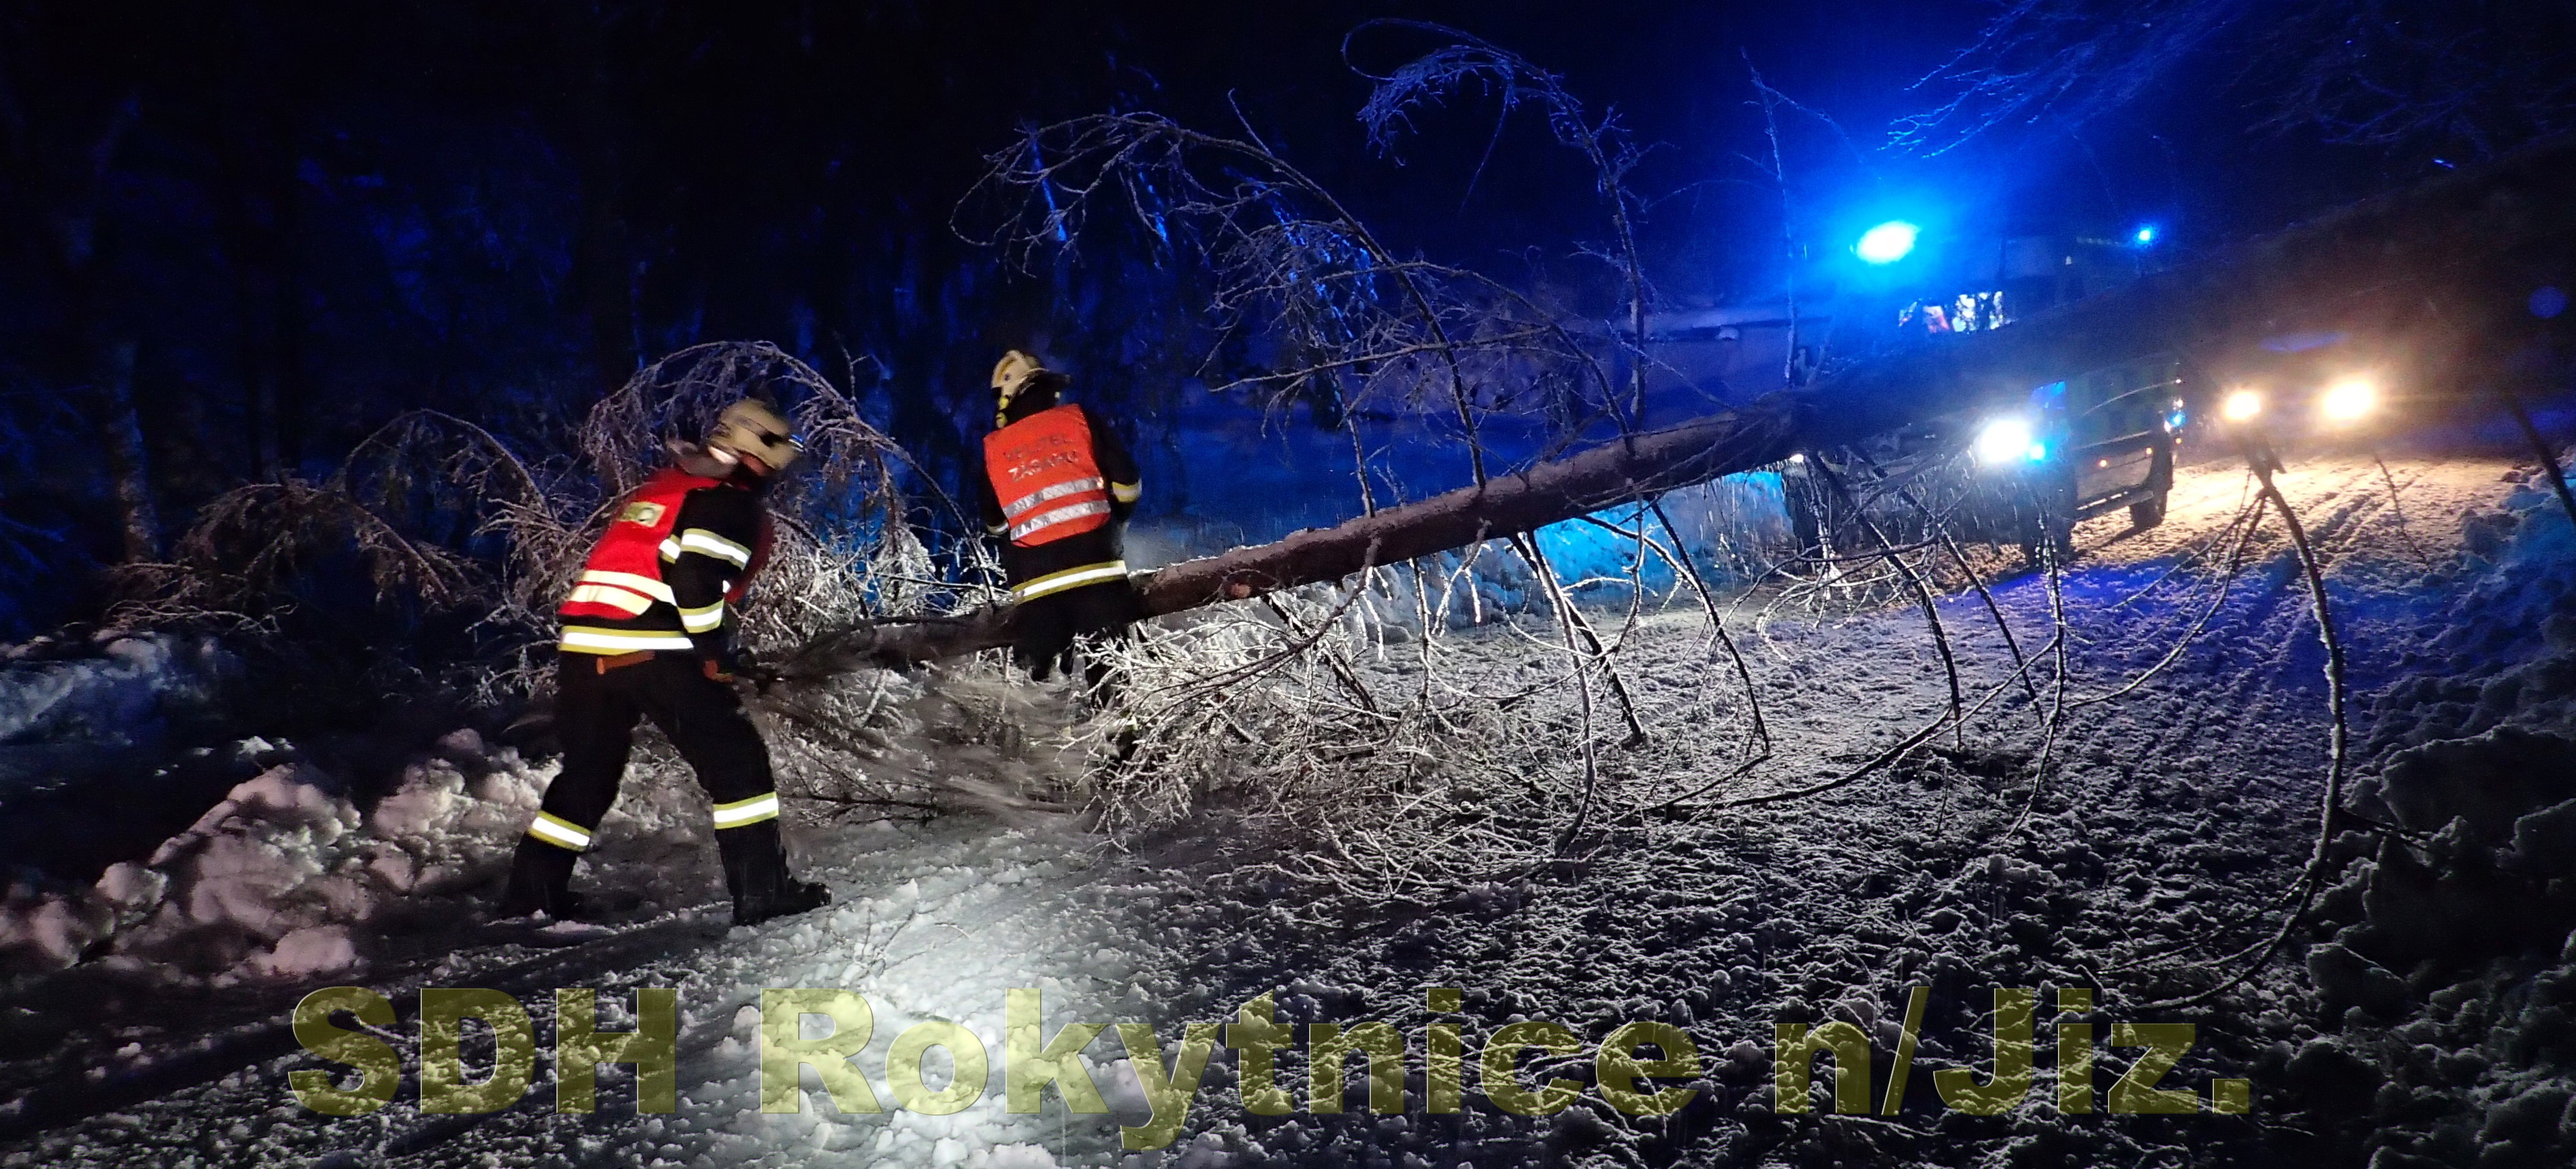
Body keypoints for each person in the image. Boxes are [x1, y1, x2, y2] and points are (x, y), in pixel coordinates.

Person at [497, 398, 831, 928]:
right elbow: (695, 581)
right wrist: (715, 654)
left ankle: (531, 897)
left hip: (583, 652)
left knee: (587, 775)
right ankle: (763, 894)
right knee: (737, 764)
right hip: (653, 649)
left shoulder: (666, 489)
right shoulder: (727, 501)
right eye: (776, 459)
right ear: (759, 452)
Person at [974, 350, 1142, 694]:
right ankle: (1115, 726)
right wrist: (1115, 523)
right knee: (1113, 684)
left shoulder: (994, 449)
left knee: (1037, 695)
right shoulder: (1080, 421)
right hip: (1098, 572)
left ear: (1007, 397)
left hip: (1035, 587)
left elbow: (995, 525)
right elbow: (1128, 485)